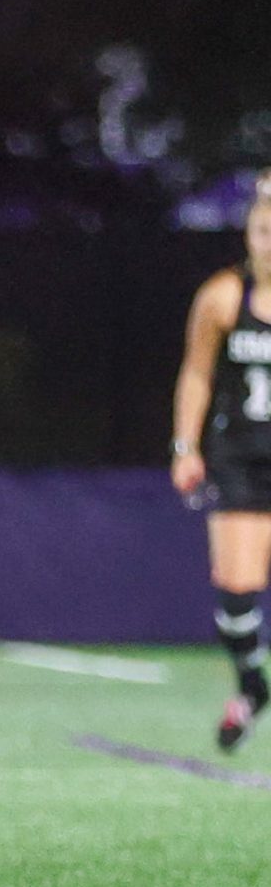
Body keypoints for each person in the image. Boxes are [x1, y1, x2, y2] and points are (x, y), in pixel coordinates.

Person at [171, 187, 271, 752]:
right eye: (263, 232)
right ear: (249, 236)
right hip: (241, 461)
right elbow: (196, 373)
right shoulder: (224, 297)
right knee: (236, 591)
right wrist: (185, 446)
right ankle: (253, 686)